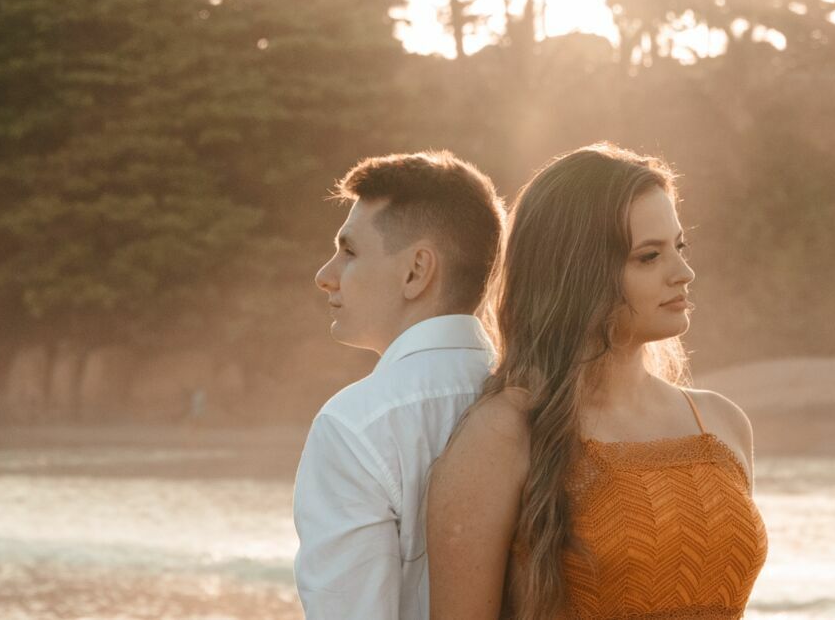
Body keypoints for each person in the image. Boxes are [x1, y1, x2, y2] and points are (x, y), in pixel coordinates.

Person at [427, 142, 767, 620]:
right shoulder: (503, 433)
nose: (684, 273)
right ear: (577, 272)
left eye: (680, 247)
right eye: (649, 257)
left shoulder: (721, 423)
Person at [294, 149, 507, 620]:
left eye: (348, 252)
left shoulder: (356, 427)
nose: (324, 276)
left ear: (416, 271)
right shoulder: (540, 399)